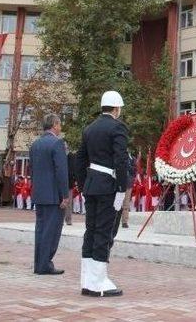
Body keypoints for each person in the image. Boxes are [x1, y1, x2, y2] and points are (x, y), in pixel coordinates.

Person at [77, 90, 128, 297]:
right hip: (108, 186)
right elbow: (121, 159)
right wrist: (122, 188)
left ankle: (88, 280)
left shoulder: (89, 129)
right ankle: (98, 282)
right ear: (116, 109)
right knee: (104, 232)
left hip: (91, 185)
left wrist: (83, 185)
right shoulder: (118, 127)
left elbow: (80, 159)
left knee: (91, 230)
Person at [30, 113, 69, 275]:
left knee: (40, 229)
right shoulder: (57, 143)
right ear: (54, 125)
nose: (60, 128)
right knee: (51, 231)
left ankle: (39, 263)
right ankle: (45, 264)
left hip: (40, 193)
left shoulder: (35, 144)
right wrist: (65, 195)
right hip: (54, 196)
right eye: (59, 124)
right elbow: (61, 171)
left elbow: (33, 169)